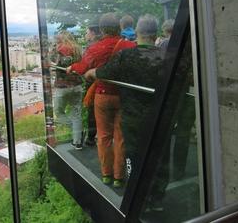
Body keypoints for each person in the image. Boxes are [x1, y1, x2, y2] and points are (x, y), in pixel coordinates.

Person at [84, 14, 168, 209]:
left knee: (134, 155)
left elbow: (104, 72)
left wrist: (90, 73)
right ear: (155, 33)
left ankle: (138, 198)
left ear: (137, 32)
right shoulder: (166, 55)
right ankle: (157, 199)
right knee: (160, 156)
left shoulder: (126, 55)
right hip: (159, 115)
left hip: (133, 116)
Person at [67, 13, 135, 187]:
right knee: (120, 137)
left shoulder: (95, 48)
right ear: (119, 27)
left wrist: (71, 67)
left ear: (102, 29)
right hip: (123, 96)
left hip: (103, 95)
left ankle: (106, 174)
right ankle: (119, 177)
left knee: (103, 136)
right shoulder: (129, 45)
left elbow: (83, 67)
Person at [53, 31, 83, 150]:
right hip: (77, 86)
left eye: (58, 40)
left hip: (63, 87)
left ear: (62, 39)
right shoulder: (78, 50)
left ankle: (77, 130)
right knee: (77, 114)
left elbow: (61, 68)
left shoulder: (60, 50)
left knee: (58, 112)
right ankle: (77, 142)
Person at [83, 24, 101, 146]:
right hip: (100, 82)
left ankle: (91, 137)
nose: (86, 35)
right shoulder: (103, 45)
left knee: (92, 111)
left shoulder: (92, 47)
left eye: (87, 32)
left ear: (93, 33)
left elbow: (85, 65)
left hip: (93, 83)